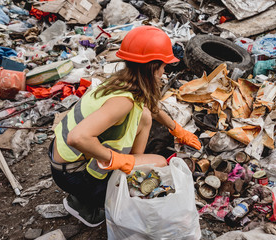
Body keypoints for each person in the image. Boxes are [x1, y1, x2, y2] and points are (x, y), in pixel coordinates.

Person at [48, 25, 201, 227]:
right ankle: (86, 203)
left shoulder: (122, 80)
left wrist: (176, 129)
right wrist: (119, 160)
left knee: (145, 116)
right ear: (152, 66)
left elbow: (150, 106)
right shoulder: (123, 101)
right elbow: (77, 138)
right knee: (159, 162)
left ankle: (127, 174)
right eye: (164, 65)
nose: (165, 70)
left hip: (63, 160)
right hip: (74, 175)